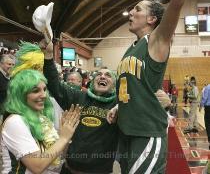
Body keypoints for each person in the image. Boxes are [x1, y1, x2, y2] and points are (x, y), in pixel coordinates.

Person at [40, 39, 174, 174]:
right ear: (92, 81)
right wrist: (49, 56)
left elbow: (146, 112)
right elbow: (54, 84)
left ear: (115, 84)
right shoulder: (78, 97)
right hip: (70, 169)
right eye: (99, 74)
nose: (102, 77)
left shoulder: (120, 103)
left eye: (108, 75)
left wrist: (165, 105)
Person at [114, 0, 192, 173]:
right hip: (126, 131)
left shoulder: (157, 41)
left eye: (137, 9)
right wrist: (118, 106)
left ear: (152, 19)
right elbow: (134, 87)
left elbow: (176, 4)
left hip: (146, 132)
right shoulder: (131, 48)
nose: (131, 12)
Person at [1, 69, 80, 174]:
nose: (44, 95)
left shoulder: (42, 118)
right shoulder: (15, 121)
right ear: (20, 94)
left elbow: (58, 157)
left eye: (44, 89)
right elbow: (37, 166)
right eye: (35, 91)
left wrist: (66, 136)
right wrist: (63, 138)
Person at [200, 83, 210, 149]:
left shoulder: (208, 87)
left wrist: (201, 105)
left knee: (208, 124)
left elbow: (205, 98)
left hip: (208, 108)